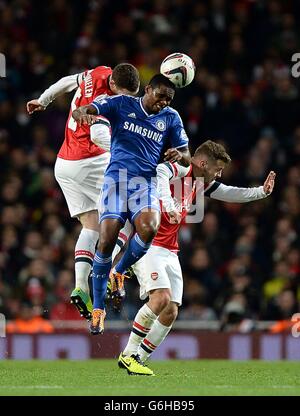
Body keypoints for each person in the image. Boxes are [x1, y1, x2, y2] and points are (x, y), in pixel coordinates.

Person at [118, 140, 276, 375]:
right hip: (147, 244)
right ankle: (128, 354)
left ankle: (139, 359)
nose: (219, 174)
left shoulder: (201, 183)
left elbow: (230, 193)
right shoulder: (180, 170)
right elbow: (160, 172)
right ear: (202, 163)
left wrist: (260, 192)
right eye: (217, 169)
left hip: (170, 250)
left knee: (171, 311)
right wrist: (169, 203)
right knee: (160, 298)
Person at [72, 74, 191, 345]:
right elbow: (92, 109)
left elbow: (186, 154)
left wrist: (178, 155)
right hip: (116, 179)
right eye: (160, 95)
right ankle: (98, 308)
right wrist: (82, 112)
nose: (163, 102)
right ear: (147, 89)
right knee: (107, 239)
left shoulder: (171, 118)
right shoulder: (122, 103)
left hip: (144, 183)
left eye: (168, 99)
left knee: (149, 228)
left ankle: (119, 271)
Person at [26, 63, 140, 320]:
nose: (124, 99)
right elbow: (99, 134)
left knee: (90, 225)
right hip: (91, 162)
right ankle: (114, 270)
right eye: (121, 93)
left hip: (64, 164)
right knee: (131, 214)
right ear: (112, 85)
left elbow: (67, 80)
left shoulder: (98, 72)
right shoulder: (105, 98)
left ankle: (81, 286)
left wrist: (43, 100)